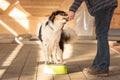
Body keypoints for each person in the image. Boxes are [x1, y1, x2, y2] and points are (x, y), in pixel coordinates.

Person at [68, 0, 118, 77]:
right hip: (110, 3)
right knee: (102, 34)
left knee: (101, 35)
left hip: (102, 4)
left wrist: (72, 9)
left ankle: (102, 67)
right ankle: (96, 65)